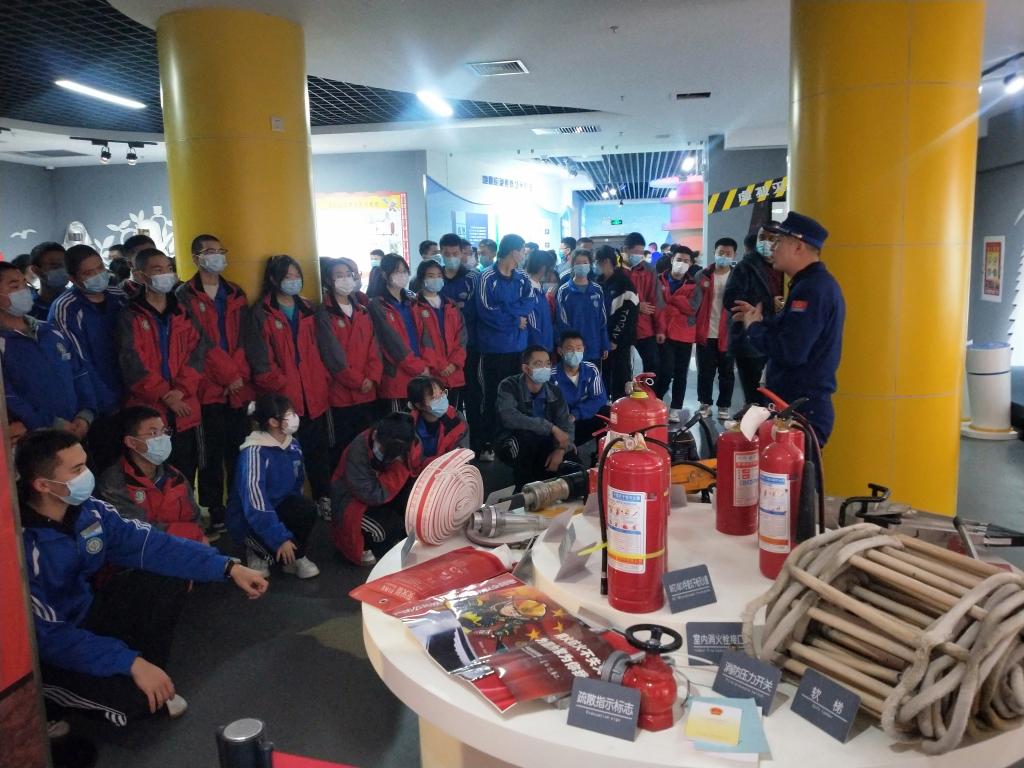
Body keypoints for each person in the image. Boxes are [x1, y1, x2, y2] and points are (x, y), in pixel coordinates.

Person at [19, 429, 266, 728]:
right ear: (43, 484)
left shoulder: (90, 512)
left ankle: (149, 676)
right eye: (77, 469)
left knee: (167, 577)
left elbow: (152, 545)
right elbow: (47, 636)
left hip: (86, 613)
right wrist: (129, 662)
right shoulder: (21, 547)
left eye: (85, 465)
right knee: (133, 704)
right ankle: (46, 697)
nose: (87, 475)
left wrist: (228, 567)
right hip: (49, 646)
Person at [731, 212, 845, 445]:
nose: (773, 247)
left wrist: (754, 328)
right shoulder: (808, 284)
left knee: (787, 468)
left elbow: (791, 351)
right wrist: (761, 321)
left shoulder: (812, 289)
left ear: (798, 247)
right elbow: (791, 332)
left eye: (779, 241)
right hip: (791, 404)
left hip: (801, 408)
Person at [175, 234, 253, 535]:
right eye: (209, 251)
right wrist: (228, 375)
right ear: (196, 258)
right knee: (209, 454)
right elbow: (198, 342)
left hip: (238, 387)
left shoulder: (235, 292)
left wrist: (237, 375)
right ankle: (214, 508)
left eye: (220, 250)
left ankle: (237, 505)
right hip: (206, 387)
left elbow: (245, 337)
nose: (217, 256)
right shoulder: (184, 295)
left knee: (238, 449)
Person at [245, 255, 332, 516]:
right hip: (283, 399)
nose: (293, 281)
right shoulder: (261, 312)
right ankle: (292, 505)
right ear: (273, 279)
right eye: (287, 276)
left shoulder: (309, 308)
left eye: (296, 276)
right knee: (285, 455)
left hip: (314, 395)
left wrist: (321, 380)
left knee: (318, 452)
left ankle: (323, 498)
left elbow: (323, 349)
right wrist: (281, 385)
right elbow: (260, 360)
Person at [118, 247, 202, 483]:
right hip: (148, 410)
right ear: (140, 275)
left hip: (184, 406)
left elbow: (197, 353)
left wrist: (181, 390)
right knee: (149, 473)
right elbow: (132, 363)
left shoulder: (182, 311)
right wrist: (166, 395)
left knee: (184, 472)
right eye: (157, 270)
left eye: (169, 268)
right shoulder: (130, 315)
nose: (166, 274)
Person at [50, 245, 127, 471]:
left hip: (131, 395)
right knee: (107, 466)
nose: (97, 275)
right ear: (73, 279)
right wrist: (102, 403)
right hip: (96, 405)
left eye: (100, 268)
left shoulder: (119, 296)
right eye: (88, 273)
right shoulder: (66, 308)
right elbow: (78, 362)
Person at [227, 394, 321, 579]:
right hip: (249, 517)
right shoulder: (254, 452)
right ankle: (257, 552)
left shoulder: (293, 445)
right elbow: (255, 504)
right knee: (264, 551)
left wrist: (287, 535)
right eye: (289, 414)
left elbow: (297, 485)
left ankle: (294, 556)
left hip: (278, 508)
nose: (294, 418)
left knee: (306, 509)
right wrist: (280, 538)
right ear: (273, 421)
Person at [0, 262, 95, 438]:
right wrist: (48, 422)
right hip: (36, 438)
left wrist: (86, 413)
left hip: (77, 429)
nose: (24, 290)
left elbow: (79, 373)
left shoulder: (49, 330)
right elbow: (6, 396)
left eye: (24, 283)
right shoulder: (3, 343)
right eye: (14, 286)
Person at [97, 406, 205, 543]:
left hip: (186, 548)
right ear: (131, 442)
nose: (162, 438)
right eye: (153, 433)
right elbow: (137, 533)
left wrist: (198, 538)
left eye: (164, 431)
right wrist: (192, 534)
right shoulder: (114, 482)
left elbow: (196, 519)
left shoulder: (175, 476)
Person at [316, 257, 383, 473]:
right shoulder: (324, 313)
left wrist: (372, 377)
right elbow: (332, 354)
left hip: (368, 391)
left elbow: (374, 346)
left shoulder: (362, 310)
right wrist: (357, 380)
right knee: (343, 447)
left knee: (368, 444)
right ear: (329, 280)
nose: (345, 279)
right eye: (339, 275)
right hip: (341, 394)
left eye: (348, 274)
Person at [474, 234, 535, 462]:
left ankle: (512, 437)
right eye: (522, 250)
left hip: (518, 346)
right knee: (491, 395)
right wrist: (515, 319)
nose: (524, 255)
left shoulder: (522, 277)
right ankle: (487, 441)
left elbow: (529, 302)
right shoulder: (487, 277)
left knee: (516, 394)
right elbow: (486, 310)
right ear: (512, 251)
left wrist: (511, 311)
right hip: (493, 348)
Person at [330, 412, 417, 565]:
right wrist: (397, 468)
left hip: (383, 490)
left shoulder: (409, 443)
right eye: (384, 449)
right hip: (352, 500)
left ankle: (400, 540)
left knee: (413, 507)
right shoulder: (358, 450)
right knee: (385, 531)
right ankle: (374, 548)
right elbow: (373, 495)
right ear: (376, 435)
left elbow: (414, 470)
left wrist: (398, 464)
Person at [495, 345, 576, 489]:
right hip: (514, 440)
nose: (545, 368)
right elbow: (509, 417)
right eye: (538, 364)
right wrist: (550, 428)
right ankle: (523, 491)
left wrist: (561, 450)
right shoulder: (509, 385)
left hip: (546, 440)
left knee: (574, 465)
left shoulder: (555, 391)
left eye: (547, 364)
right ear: (526, 368)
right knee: (527, 440)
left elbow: (566, 425)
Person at [724, 225, 783, 406]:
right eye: (762, 237)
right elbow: (731, 300)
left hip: (778, 339)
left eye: (771, 238)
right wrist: (768, 305)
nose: (765, 242)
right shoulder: (746, 267)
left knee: (775, 398)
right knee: (755, 399)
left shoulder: (785, 267)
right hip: (749, 341)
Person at [368, 253, 431, 412]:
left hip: (421, 371)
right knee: (401, 422)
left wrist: (426, 363)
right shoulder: (378, 305)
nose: (402, 275)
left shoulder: (412, 301)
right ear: (385, 274)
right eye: (397, 271)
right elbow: (391, 343)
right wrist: (417, 367)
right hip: (397, 376)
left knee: (420, 419)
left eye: (404, 271)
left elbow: (424, 334)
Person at [655, 246, 702, 423]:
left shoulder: (694, 284)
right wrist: (678, 304)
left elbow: (693, 308)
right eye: (679, 260)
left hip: (684, 334)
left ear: (691, 264)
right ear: (672, 260)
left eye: (686, 261)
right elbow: (657, 306)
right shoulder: (658, 280)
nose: (682, 264)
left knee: (681, 374)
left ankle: (675, 408)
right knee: (665, 371)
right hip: (663, 334)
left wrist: (674, 299)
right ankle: (657, 401)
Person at [415, 259, 467, 409]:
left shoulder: (450, 304)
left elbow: (462, 336)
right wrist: (440, 365)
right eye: (431, 276)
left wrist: (454, 363)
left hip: (454, 372)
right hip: (431, 374)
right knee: (432, 413)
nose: (436, 279)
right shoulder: (414, 306)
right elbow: (421, 340)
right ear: (422, 279)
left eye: (439, 275)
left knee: (453, 413)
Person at [695, 237, 737, 419]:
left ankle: (724, 405)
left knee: (727, 372)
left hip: (728, 333)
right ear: (714, 252)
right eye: (721, 252)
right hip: (706, 331)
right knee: (705, 372)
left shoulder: (738, 276)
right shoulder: (702, 275)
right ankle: (705, 403)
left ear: (734, 255)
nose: (724, 256)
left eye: (728, 253)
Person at [594, 245, 638, 398]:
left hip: (620, 342)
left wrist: (615, 338)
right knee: (603, 377)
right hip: (602, 340)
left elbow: (628, 314)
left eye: (597, 261)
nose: (595, 265)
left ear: (606, 261)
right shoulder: (598, 282)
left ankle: (620, 407)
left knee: (621, 378)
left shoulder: (624, 284)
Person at [552, 331, 607, 450]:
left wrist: (575, 414)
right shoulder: (552, 376)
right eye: (569, 349)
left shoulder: (591, 370)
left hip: (581, 417)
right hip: (562, 425)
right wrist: (567, 419)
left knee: (607, 413)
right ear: (560, 351)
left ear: (583, 349)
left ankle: (601, 453)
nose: (574, 353)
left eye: (578, 348)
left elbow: (599, 398)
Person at [555, 249, 609, 365]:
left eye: (585, 262)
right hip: (572, 349)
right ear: (572, 265)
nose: (582, 265)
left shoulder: (597, 290)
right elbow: (561, 322)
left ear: (590, 264)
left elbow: (603, 320)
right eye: (578, 263)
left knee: (593, 375)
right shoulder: (564, 291)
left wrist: (605, 343)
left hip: (594, 346)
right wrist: (562, 343)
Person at [407, 375, 469, 473]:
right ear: (419, 405)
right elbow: (411, 462)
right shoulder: (407, 425)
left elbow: (461, 457)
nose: (441, 400)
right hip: (416, 476)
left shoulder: (456, 420)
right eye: (433, 398)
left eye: (442, 393)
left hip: (448, 475)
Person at [622, 232, 660, 381]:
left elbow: (655, 301)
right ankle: (623, 394)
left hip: (644, 326)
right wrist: (637, 306)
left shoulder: (649, 270)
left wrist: (660, 329)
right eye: (636, 252)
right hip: (622, 327)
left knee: (653, 364)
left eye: (641, 252)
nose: (639, 256)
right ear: (626, 249)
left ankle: (648, 392)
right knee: (623, 367)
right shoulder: (616, 270)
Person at [525, 249, 556, 352]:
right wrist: (540, 348)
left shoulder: (538, 288)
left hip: (543, 345)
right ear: (543, 267)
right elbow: (533, 324)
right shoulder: (529, 290)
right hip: (536, 348)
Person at [28, 242, 68, 321]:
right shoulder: (28, 309)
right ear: (36, 270)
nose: (63, 270)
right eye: (55, 266)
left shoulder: (80, 300)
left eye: (65, 265)